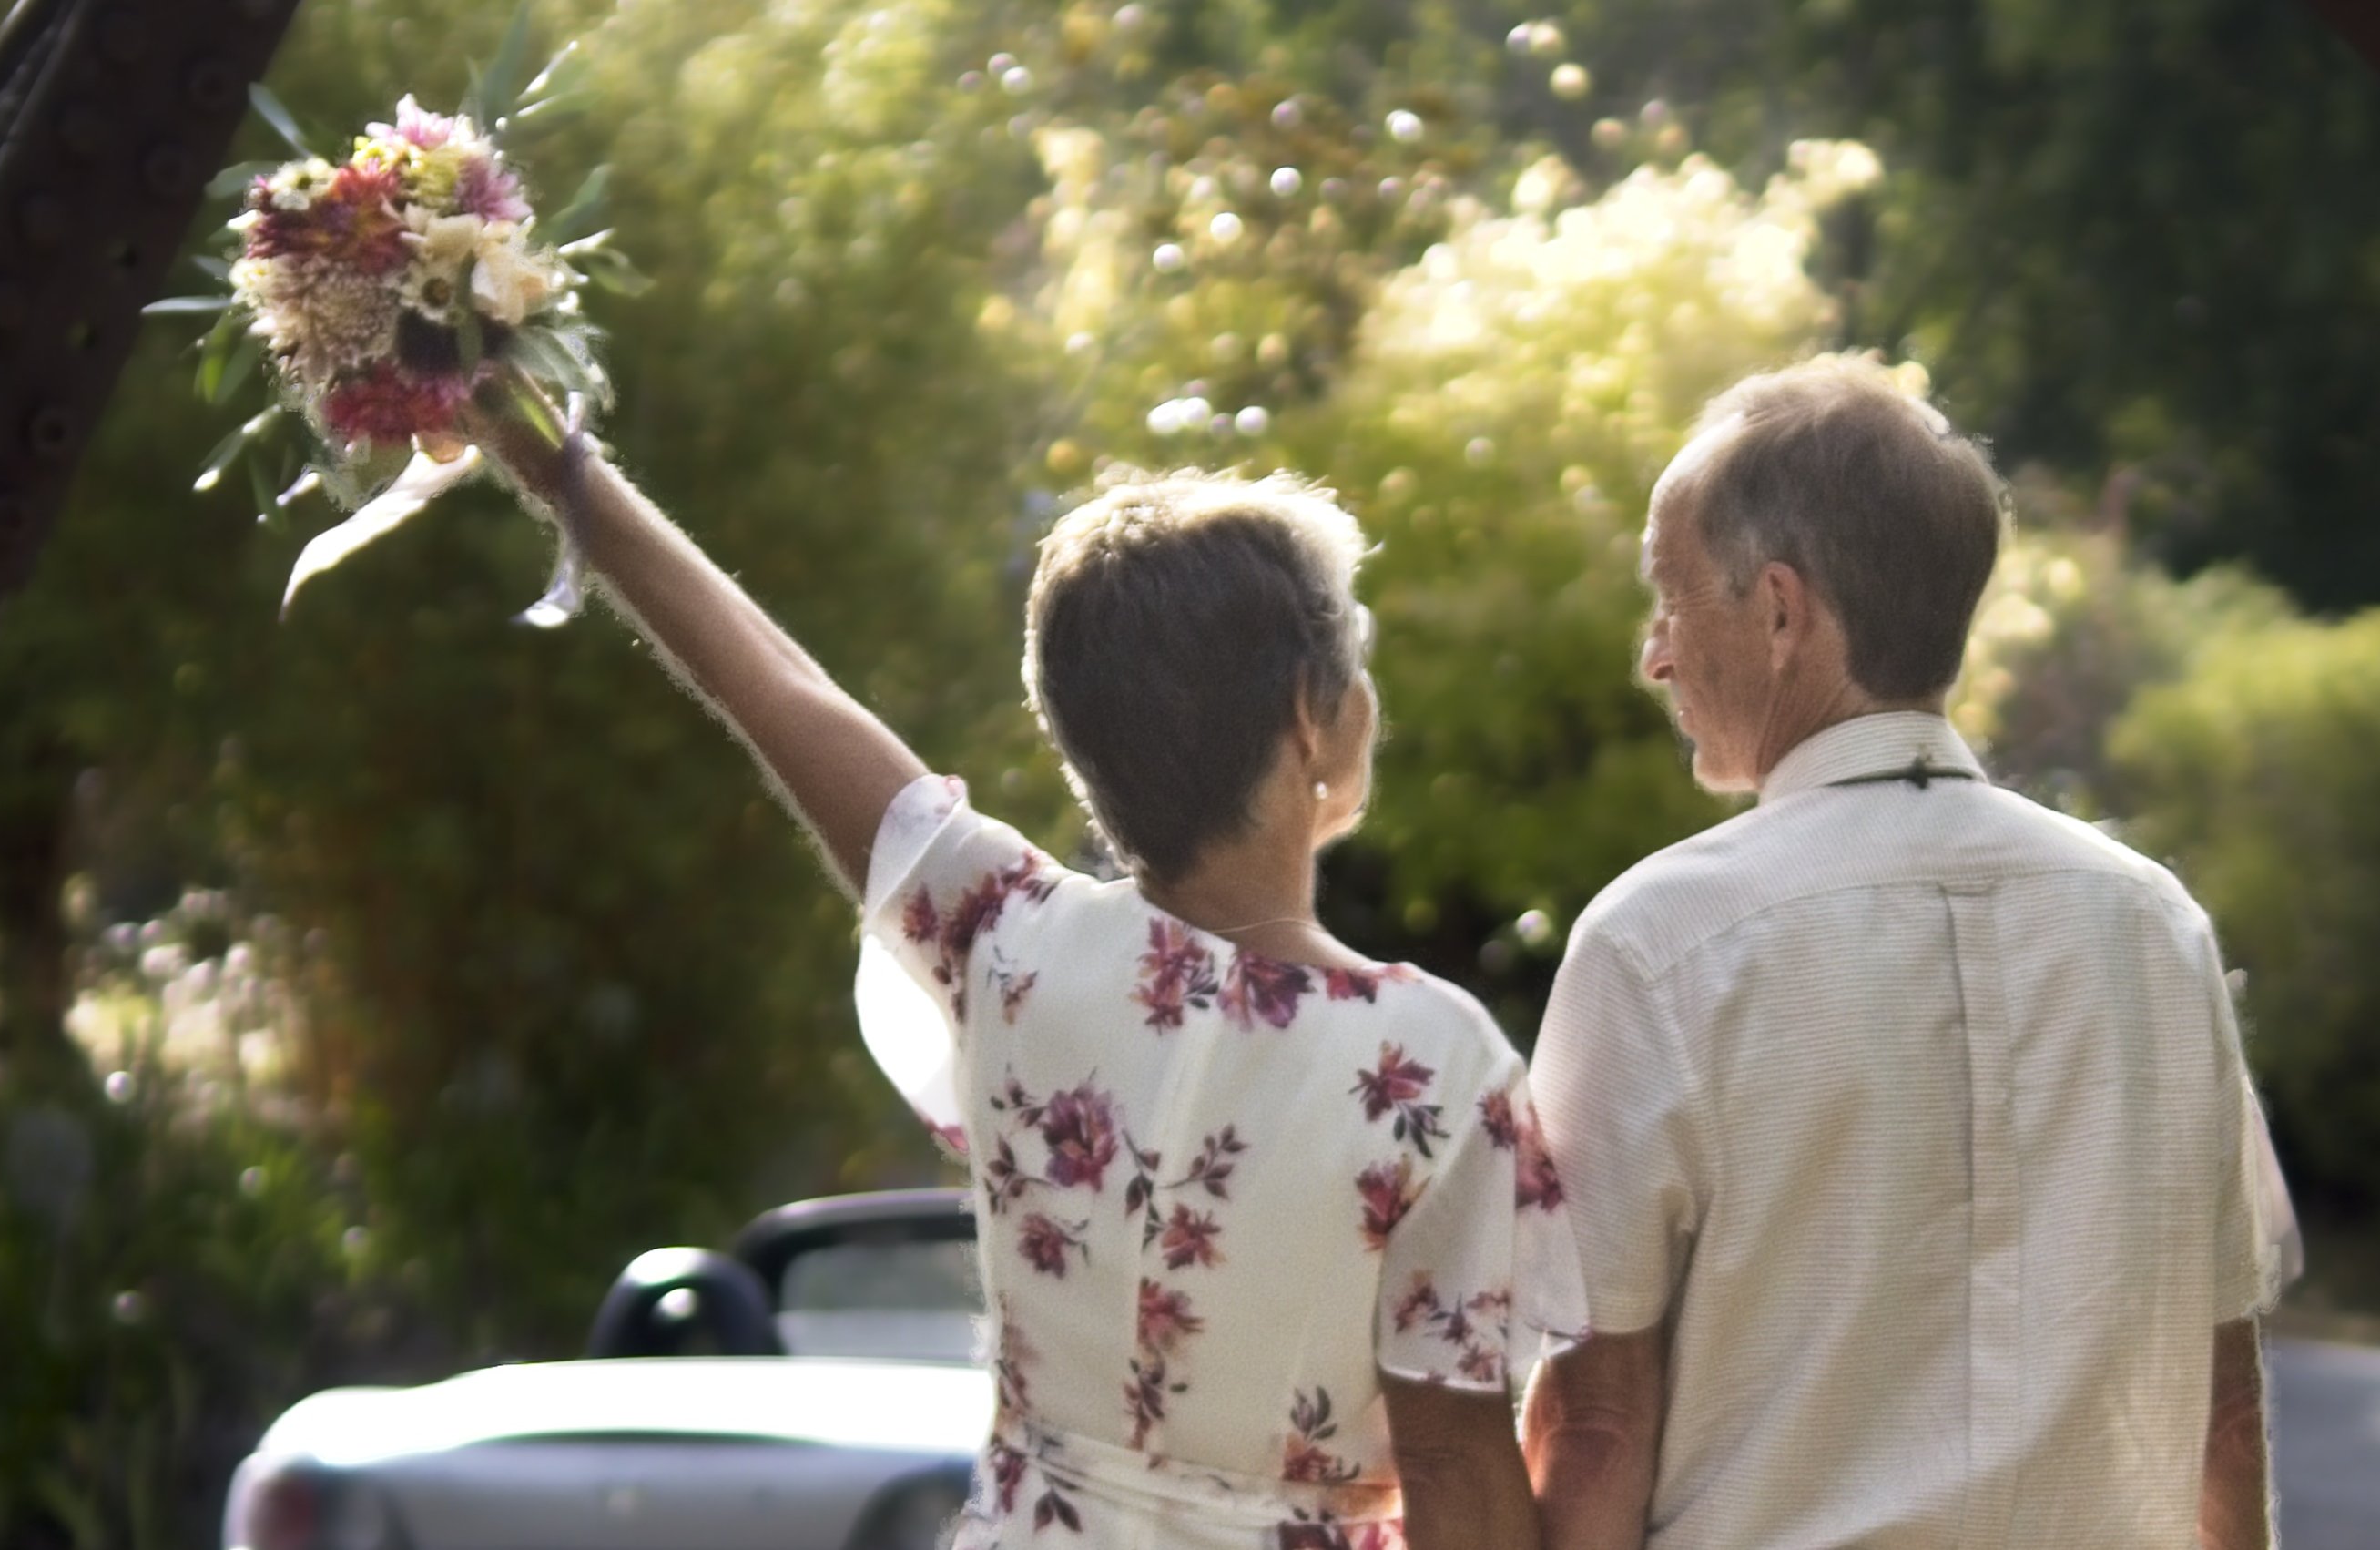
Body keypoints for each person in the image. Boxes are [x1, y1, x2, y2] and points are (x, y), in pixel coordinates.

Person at [468, 407, 1578, 1550]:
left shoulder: (1003, 937)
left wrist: (553, 460)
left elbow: (778, 688)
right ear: (1311, 714)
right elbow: (1454, 1463)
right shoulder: (1436, 1062)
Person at [1521, 356, 2298, 1550]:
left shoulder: (1655, 943)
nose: (1656, 654)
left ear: (1781, 612)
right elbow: (2224, 1411)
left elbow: (1595, 1427)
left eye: (1670, 598)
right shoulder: (2153, 925)